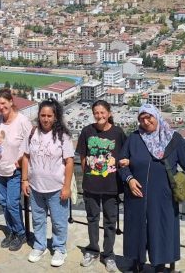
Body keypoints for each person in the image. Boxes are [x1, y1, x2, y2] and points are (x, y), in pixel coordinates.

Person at [119, 103, 185, 273]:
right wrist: (129, 179)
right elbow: (122, 163)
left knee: (160, 229)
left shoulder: (173, 139)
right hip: (136, 195)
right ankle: (136, 262)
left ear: (157, 116)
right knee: (137, 228)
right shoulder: (134, 138)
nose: (146, 122)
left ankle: (160, 265)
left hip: (163, 196)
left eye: (149, 117)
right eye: (142, 118)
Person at [22, 98, 75, 267]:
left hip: (56, 188)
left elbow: (69, 162)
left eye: (49, 116)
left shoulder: (63, 137)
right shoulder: (32, 133)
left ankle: (60, 248)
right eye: (43, 115)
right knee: (38, 219)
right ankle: (40, 245)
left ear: (56, 117)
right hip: (36, 186)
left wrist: (66, 186)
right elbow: (25, 157)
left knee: (59, 221)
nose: (45, 119)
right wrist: (24, 179)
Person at [76, 100, 126, 272]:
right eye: (96, 113)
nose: (99, 116)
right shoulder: (87, 131)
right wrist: (89, 175)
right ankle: (92, 250)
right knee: (92, 219)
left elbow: (124, 155)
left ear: (109, 113)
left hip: (112, 185)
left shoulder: (118, 133)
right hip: (91, 185)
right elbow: (83, 157)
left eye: (102, 112)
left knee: (110, 221)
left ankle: (109, 254)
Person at [0, 88, 32, 252]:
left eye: (3, 103)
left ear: (11, 102)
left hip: (15, 171)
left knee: (12, 204)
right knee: (4, 204)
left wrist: (21, 161)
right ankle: (11, 231)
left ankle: (21, 232)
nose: (1, 107)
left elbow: (30, 146)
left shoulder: (22, 121)